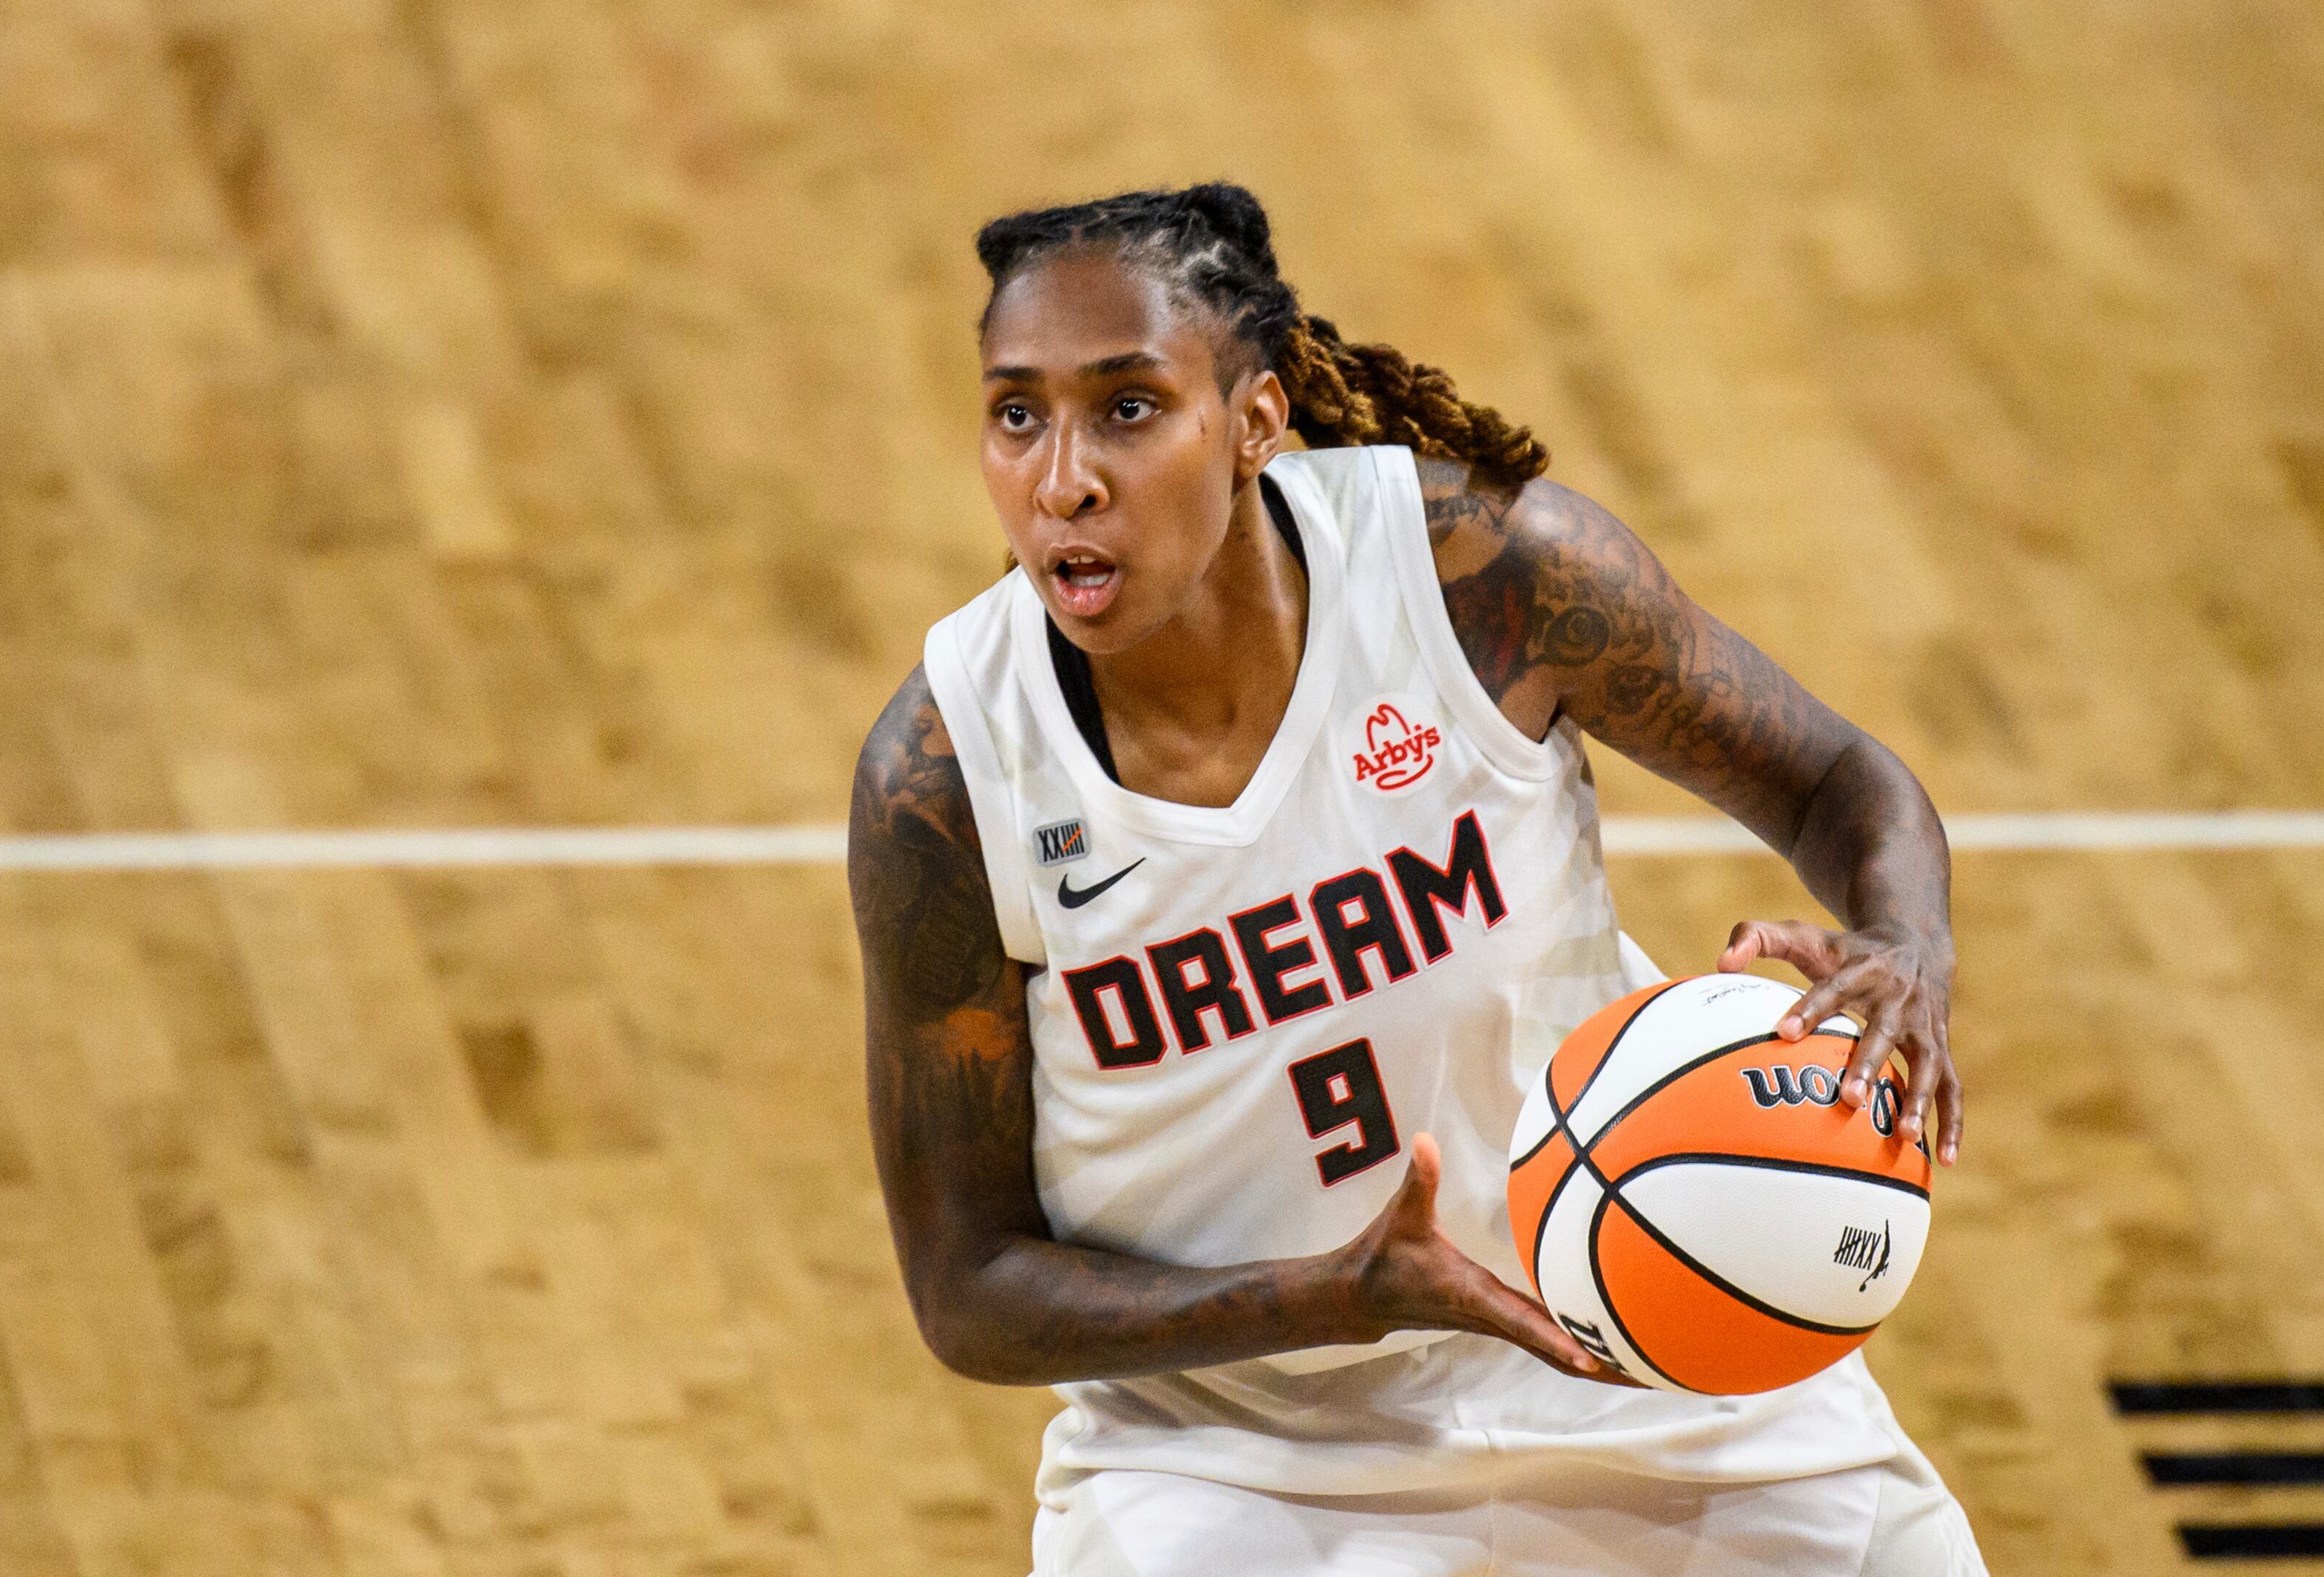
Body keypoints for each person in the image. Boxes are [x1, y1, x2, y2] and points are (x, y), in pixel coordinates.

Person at [847, 182, 1987, 1576]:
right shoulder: (946, 777)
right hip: (1235, 1463)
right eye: (1017, 413)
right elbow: (972, 1293)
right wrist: (1341, 1299)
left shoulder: (1488, 584)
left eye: (1129, 408)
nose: (1062, 477)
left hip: (1654, 1357)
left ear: (1256, 418)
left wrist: (1908, 945)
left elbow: (1835, 782)